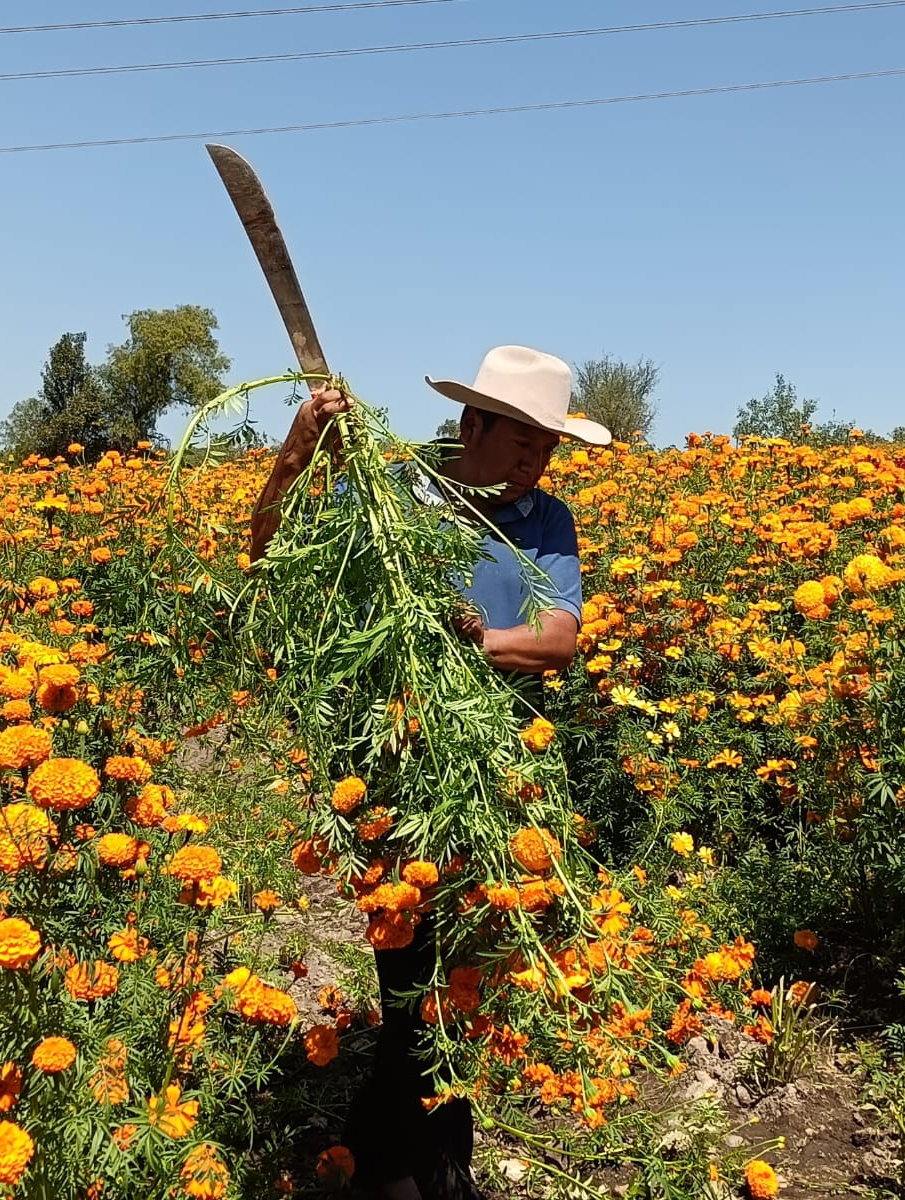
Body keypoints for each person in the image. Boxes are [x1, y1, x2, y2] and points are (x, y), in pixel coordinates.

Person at [248, 346, 611, 1200]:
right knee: (413, 971)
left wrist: (474, 638)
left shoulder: (544, 520)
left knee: (461, 983)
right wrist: (296, 454)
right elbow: (265, 555)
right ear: (470, 424)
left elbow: (558, 639)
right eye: (522, 438)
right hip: (396, 764)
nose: (536, 460)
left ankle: (393, 1164)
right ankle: (417, 1174)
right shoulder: (388, 493)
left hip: (490, 771)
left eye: (548, 445)